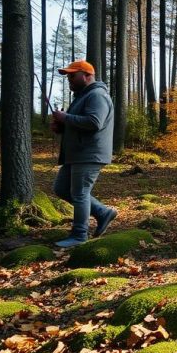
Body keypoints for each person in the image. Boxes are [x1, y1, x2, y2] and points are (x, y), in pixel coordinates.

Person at [50, 60, 117, 248]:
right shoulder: (81, 96)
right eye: (67, 76)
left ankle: (79, 236)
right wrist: (61, 127)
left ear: (87, 76)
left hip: (89, 154)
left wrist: (66, 118)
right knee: (61, 189)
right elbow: (80, 125)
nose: (69, 79)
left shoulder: (97, 95)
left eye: (72, 75)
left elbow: (94, 122)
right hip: (77, 154)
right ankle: (103, 213)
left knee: (80, 193)